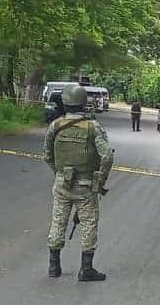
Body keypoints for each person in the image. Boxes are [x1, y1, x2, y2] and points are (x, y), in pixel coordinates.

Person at [44, 84, 113, 282]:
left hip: (61, 184)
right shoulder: (93, 127)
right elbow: (107, 156)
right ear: (84, 102)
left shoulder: (55, 125)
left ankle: (53, 266)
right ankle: (86, 269)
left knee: (58, 221)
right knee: (89, 223)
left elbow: (47, 155)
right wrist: (100, 179)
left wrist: (59, 173)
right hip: (85, 184)